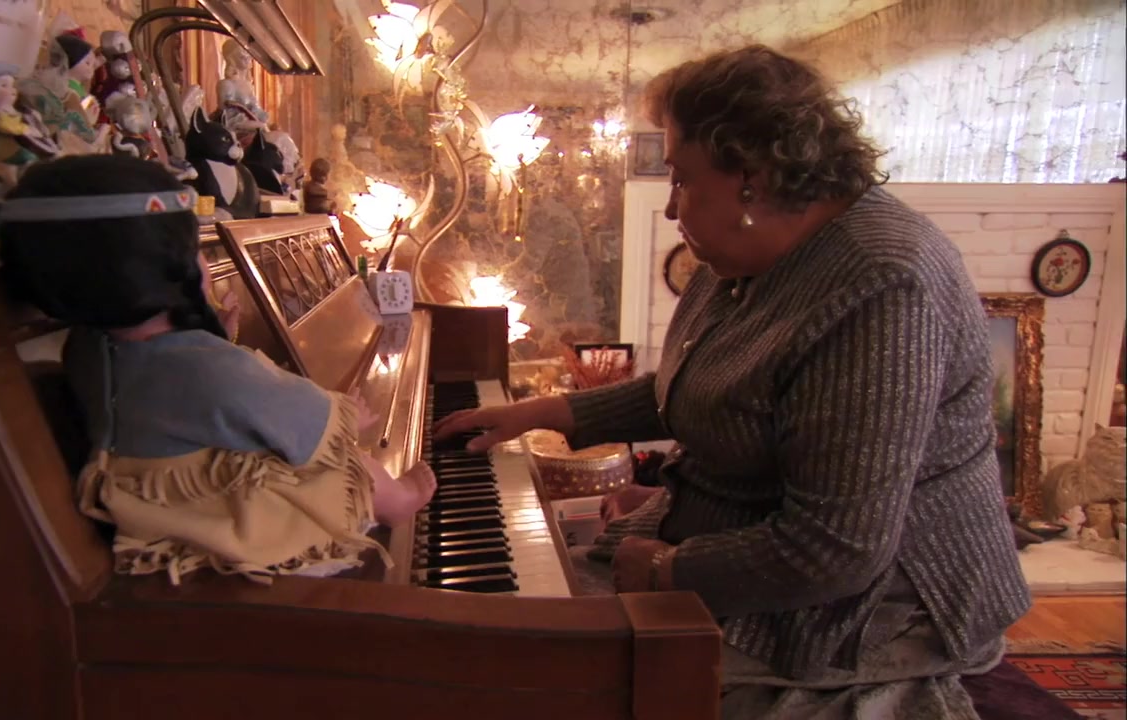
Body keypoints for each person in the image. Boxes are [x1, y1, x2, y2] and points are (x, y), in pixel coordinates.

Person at [434, 45, 1030, 718]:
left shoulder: (882, 286)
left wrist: (668, 569)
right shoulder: (752, 251)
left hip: (877, 599)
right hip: (750, 534)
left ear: (750, 176)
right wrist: (543, 412)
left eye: (680, 178)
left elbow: (840, 549)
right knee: (536, 632)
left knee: (554, 674)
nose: (670, 207)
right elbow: (704, 386)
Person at [0, 154, 435, 584]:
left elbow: (175, 395)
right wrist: (345, 416)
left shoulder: (85, 346)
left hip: (151, 514)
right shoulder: (205, 367)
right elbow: (298, 416)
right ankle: (398, 500)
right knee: (350, 463)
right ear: (178, 265)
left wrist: (215, 342)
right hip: (230, 528)